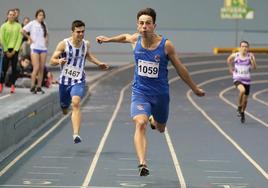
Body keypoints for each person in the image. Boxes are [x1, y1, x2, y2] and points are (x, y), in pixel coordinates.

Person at [96, 8, 205, 176]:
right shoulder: (135, 39)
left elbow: (180, 68)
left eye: (148, 23)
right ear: (137, 25)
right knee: (140, 123)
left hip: (160, 95)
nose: (144, 26)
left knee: (161, 128)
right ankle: (142, 164)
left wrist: (194, 88)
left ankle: (155, 120)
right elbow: (125, 37)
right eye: (141, 23)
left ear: (154, 25)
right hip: (140, 92)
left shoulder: (166, 45)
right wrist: (107, 39)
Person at [50, 20, 108, 144]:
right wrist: (58, 61)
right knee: (65, 106)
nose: (81, 34)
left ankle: (76, 134)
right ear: (72, 32)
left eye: (83, 31)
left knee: (76, 103)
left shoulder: (86, 44)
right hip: (64, 81)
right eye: (78, 32)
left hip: (78, 80)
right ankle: (64, 107)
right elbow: (52, 60)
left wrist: (99, 63)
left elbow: (88, 56)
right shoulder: (63, 44)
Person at [227, 40, 257, 123]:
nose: (244, 48)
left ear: (248, 48)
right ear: (240, 47)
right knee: (242, 90)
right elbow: (228, 60)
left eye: (246, 46)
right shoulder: (235, 55)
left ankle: (243, 112)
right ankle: (239, 107)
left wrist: (252, 60)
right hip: (237, 78)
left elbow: (254, 67)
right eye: (242, 46)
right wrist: (230, 68)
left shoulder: (250, 56)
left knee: (245, 100)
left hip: (247, 80)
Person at [21, 9, 48, 94]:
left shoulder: (44, 24)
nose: (41, 17)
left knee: (41, 69)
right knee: (36, 67)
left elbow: (46, 34)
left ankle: (39, 87)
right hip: (35, 48)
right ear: (36, 16)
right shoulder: (32, 23)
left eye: (43, 15)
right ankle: (32, 86)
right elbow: (22, 31)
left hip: (43, 49)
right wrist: (29, 38)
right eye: (40, 15)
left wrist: (46, 41)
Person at [0, 9, 22, 93]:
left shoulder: (19, 26)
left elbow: (19, 39)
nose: (11, 16)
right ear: (7, 15)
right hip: (6, 50)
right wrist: (6, 51)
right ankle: (1, 84)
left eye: (13, 15)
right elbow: (2, 39)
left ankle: (13, 85)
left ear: (15, 16)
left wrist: (14, 51)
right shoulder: (3, 26)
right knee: (4, 69)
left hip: (14, 50)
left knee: (14, 69)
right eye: (10, 14)